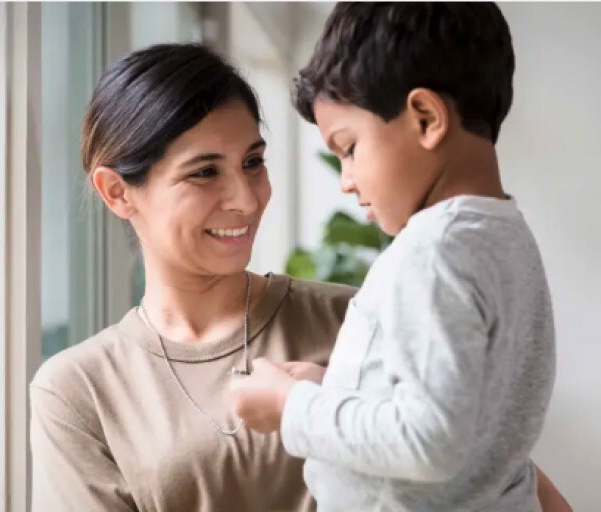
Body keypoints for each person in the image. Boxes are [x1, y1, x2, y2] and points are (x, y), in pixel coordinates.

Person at [29, 43, 570, 511]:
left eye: (253, 162)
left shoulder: (354, 319)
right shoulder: (78, 393)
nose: (245, 199)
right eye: (204, 172)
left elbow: (504, 482)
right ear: (118, 192)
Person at [231, 3, 565, 512]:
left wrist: (291, 408)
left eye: (349, 148)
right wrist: (337, 389)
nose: (346, 179)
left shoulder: (432, 253)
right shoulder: (504, 237)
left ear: (427, 119)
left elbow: (427, 442)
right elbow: (464, 412)